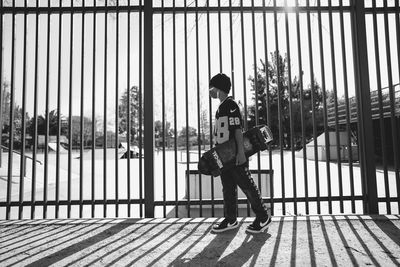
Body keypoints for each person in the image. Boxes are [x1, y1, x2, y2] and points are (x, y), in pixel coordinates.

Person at [209, 73, 271, 234]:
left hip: (235, 154)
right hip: (224, 155)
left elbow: (237, 130)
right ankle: (231, 219)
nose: (210, 91)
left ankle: (263, 217)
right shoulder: (221, 107)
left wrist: (241, 153)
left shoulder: (231, 105)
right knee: (228, 188)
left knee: (247, 186)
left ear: (218, 88)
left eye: (212, 87)